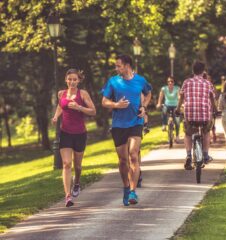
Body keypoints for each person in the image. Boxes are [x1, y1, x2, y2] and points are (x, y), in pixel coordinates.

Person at [102, 54, 152, 206]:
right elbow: (104, 101)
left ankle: (132, 191)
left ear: (127, 65)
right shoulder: (113, 81)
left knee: (133, 155)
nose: (116, 68)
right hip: (118, 125)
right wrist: (116, 105)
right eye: (116, 66)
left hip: (135, 122)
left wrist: (144, 107)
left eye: (119, 66)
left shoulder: (140, 80)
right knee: (123, 160)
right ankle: (125, 186)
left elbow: (148, 93)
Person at [52, 69, 96, 207]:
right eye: (69, 79)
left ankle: (76, 183)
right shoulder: (61, 94)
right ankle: (67, 196)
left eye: (74, 79)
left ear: (78, 81)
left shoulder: (83, 94)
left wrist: (79, 107)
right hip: (65, 133)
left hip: (80, 134)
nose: (72, 82)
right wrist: (55, 116)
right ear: (66, 79)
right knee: (66, 163)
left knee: (77, 166)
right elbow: (60, 106)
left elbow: (93, 111)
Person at [176, 61, 217, 170]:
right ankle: (206, 155)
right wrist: (216, 110)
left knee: (188, 134)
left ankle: (189, 155)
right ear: (203, 71)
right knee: (207, 132)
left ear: (193, 71)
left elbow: (181, 97)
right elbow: (212, 99)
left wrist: (177, 109)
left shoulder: (186, 82)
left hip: (190, 114)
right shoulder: (208, 83)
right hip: (204, 115)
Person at [156, 76, 180, 142]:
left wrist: (181, 102)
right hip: (167, 105)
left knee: (177, 122)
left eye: (171, 81)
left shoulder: (177, 88)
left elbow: (179, 96)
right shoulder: (164, 89)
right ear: (167, 82)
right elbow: (161, 97)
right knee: (164, 110)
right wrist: (159, 103)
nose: (170, 83)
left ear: (174, 82)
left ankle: (177, 136)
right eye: (168, 81)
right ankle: (164, 125)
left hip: (175, 106)